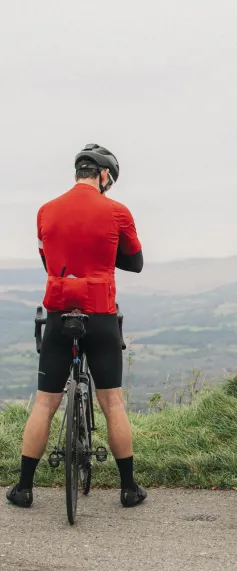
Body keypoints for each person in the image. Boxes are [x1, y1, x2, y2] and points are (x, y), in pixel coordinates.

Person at [6, 144, 147, 509]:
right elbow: (135, 263)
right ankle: (129, 488)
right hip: (100, 314)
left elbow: (47, 259)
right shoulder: (117, 212)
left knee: (44, 403)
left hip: (58, 311)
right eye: (109, 180)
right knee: (112, 402)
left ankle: (23, 488)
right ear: (103, 175)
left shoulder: (45, 211)